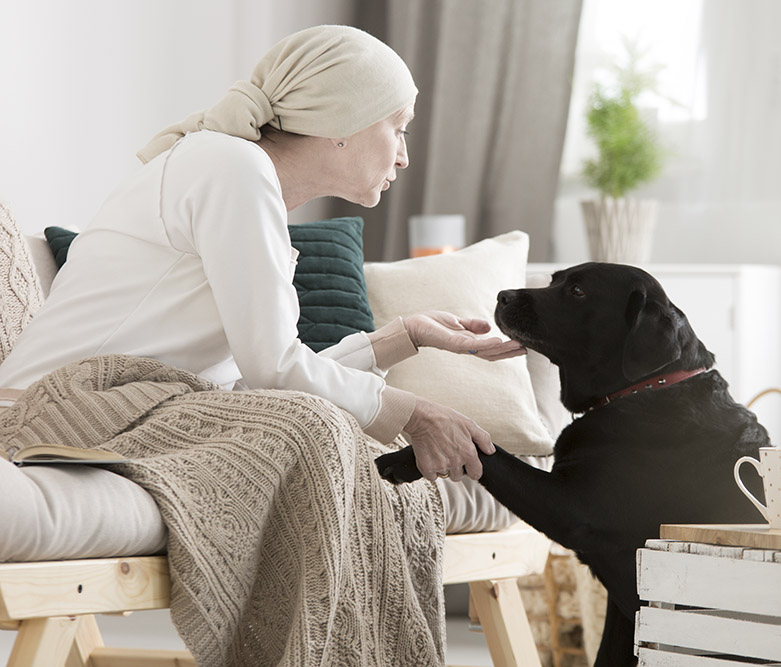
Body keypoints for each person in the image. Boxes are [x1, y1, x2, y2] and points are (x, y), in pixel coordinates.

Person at [0, 24, 523, 482]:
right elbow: (274, 369)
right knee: (312, 435)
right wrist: (416, 414)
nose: (404, 156)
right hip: (51, 415)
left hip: (105, 407)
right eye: (398, 127)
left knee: (312, 431)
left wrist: (403, 337)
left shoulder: (239, 175)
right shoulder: (229, 167)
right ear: (343, 122)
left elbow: (254, 378)